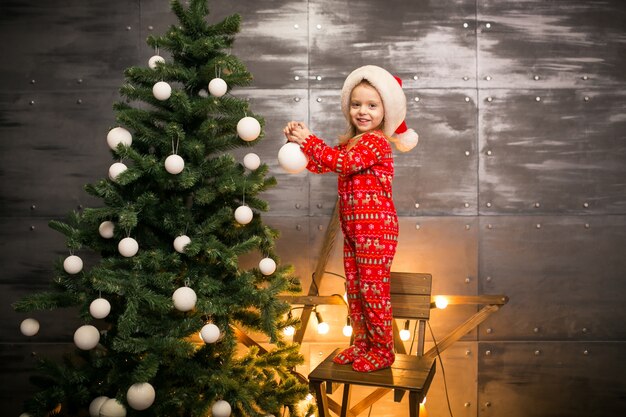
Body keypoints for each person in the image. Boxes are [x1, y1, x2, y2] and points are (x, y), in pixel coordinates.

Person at [283, 65, 418, 372]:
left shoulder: (376, 143)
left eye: (372, 105)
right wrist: (297, 146)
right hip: (355, 231)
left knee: (373, 291)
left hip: (377, 231)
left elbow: (343, 164)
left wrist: (309, 140)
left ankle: (382, 351)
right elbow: (323, 164)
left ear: (386, 111)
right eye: (356, 104)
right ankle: (362, 345)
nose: (362, 111)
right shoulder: (352, 141)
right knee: (355, 290)